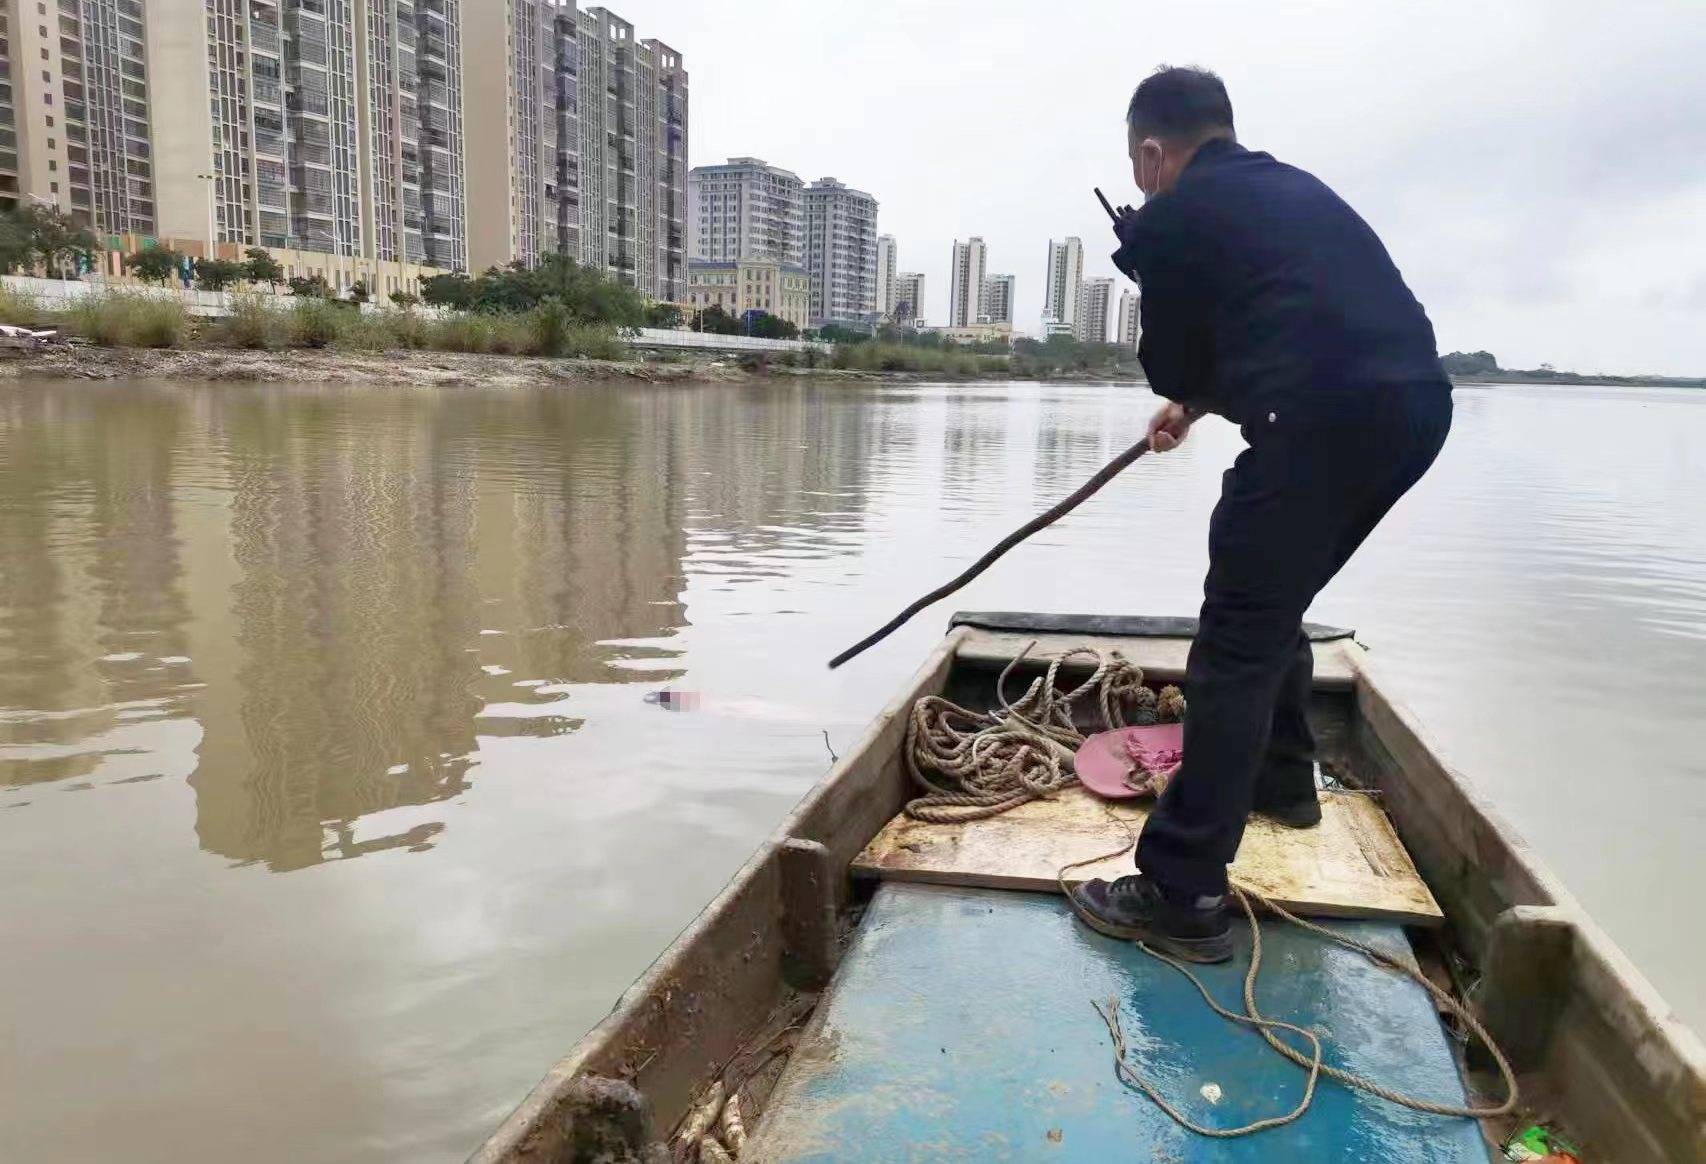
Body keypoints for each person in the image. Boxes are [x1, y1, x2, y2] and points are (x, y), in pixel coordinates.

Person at [1067, 66, 1454, 963]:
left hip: (1318, 419)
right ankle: (1283, 783)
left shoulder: (1175, 213)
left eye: (1138, 165)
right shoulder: (1286, 188)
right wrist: (1198, 408)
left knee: (1237, 635)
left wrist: (1144, 258)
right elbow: (1289, 321)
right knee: (1270, 602)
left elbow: (1168, 360)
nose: (1140, 183)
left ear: (1154, 153)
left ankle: (1181, 889)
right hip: (1413, 412)